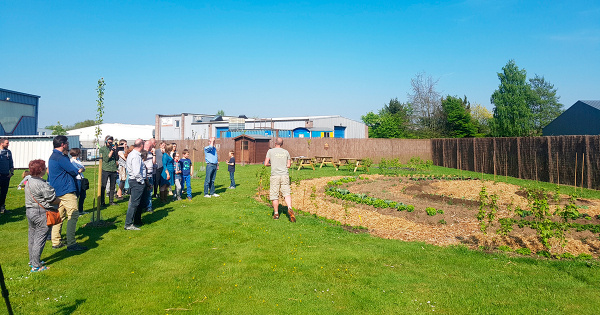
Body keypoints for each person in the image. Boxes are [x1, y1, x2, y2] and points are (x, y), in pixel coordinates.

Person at [48, 135, 88, 251]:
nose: (68, 145)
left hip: (57, 190)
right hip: (66, 190)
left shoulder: (53, 156)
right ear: (62, 144)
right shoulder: (61, 157)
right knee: (73, 214)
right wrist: (80, 169)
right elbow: (73, 170)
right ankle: (71, 243)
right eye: (67, 143)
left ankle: (56, 241)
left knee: (59, 216)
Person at [25, 159, 60, 272]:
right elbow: (52, 199)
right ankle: (36, 266)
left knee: (32, 237)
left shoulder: (28, 181)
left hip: (30, 211)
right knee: (40, 239)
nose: (46, 169)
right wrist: (60, 200)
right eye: (44, 167)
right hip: (40, 213)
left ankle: (32, 261)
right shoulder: (42, 184)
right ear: (41, 170)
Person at [264, 137, 295, 222]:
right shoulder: (286, 152)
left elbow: (266, 163)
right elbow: (288, 165)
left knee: (274, 194)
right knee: (286, 193)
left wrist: (272, 164)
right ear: (282, 144)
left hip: (275, 176)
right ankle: (289, 207)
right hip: (284, 175)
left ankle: (276, 214)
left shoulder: (270, 151)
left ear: (275, 143)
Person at [124, 139, 148, 230]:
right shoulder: (135, 156)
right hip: (136, 181)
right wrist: (141, 181)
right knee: (134, 203)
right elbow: (136, 172)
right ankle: (128, 224)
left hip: (136, 181)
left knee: (139, 203)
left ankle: (137, 221)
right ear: (141, 145)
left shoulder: (134, 154)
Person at [99, 135, 118, 206]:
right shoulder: (102, 149)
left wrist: (115, 150)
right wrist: (112, 151)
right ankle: (102, 202)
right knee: (103, 186)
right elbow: (106, 159)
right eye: (109, 142)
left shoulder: (113, 148)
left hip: (113, 169)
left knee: (112, 186)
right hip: (105, 169)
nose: (110, 143)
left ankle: (111, 201)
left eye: (111, 142)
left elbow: (116, 158)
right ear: (106, 141)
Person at [69, 148, 88, 215]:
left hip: (81, 178)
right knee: (77, 195)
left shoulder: (78, 160)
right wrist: (80, 169)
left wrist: (82, 169)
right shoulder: (71, 161)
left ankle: (81, 210)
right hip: (76, 179)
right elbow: (76, 170)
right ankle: (75, 211)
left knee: (83, 195)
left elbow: (83, 168)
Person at [0, 137, 14, 214]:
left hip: (6, 176)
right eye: (7, 143)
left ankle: (2, 208)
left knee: (4, 192)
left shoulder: (8, 152)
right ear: (2, 143)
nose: (8, 144)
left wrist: (11, 173)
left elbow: (11, 163)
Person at [143, 139, 156, 212]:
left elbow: (154, 162)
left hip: (151, 174)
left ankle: (149, 206)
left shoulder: (150, 153)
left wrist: (154, 154)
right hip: (145, 175)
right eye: (149, 145)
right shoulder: (142, 153)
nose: (150, 147)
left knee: (149, 192)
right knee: (144, 192)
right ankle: (144, 206)